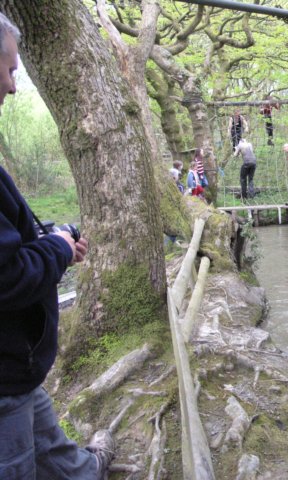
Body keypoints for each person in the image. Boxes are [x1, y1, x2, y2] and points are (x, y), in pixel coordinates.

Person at [0, 12, 115, 479]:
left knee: (53, 445)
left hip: (18, 370)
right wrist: (60, 249)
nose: (12, 86)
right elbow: (6, 275)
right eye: (8, 69)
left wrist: (47, 237)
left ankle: (89, 467)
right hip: (4, 379)